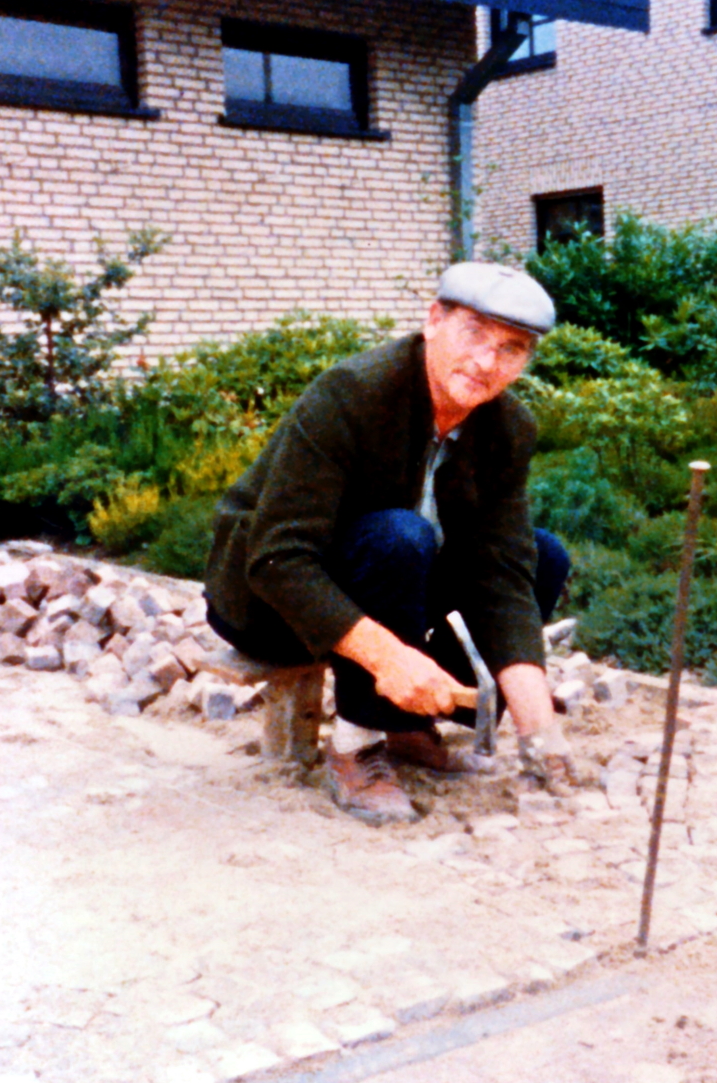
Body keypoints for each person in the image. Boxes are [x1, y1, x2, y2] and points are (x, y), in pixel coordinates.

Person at [204, 262, 575, 824]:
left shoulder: (507, 427)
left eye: (512, 348)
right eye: (473, 333)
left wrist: (539, 726)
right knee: (400, 537)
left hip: (388, 578)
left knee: (542, 555)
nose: (485, 362)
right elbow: (279, 560)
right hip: (269, 598)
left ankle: (406, 729)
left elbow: (501, 569)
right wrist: (391, 659)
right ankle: (355, 746)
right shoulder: (352, 394)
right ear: (433, 321)